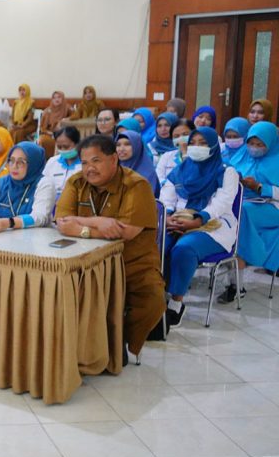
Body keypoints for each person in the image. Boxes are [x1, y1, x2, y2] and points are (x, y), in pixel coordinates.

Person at [55, 134, 165, 358]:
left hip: (131, 261)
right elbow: (62, 222)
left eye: (96, 161)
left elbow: (127, 232)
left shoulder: (136, 185)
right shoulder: (76, 182)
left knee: (153, 301)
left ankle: (120, 340)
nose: (89, 169)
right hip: (85, 260)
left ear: (114, 159)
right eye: (84, 163)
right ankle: (84, 346)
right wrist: (98, 223)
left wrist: (80, 225)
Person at [159, 126, 238, 326]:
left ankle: (176, 303)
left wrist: (198, 220)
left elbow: (223, 202)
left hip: (213, 224)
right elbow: (167, 195)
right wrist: (168, 216)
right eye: (193, 143)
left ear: (213, 146)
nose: (196, 147)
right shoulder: (181, 169)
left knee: (184, 248)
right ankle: (156, 295)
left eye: (203, 143)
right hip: (178, 219)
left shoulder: (226, 171)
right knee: (157, 245)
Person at [228, 121, 279, 292]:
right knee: (233, 213)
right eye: (251, 143)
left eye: (260, 144)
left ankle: (236, 282)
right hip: (243, 201)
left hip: (272, 206)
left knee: (240, 215)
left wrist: (259, 187)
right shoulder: (241, 155)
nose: (254, 148)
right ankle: (235, 280)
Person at [115, 129, 160, 195]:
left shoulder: (148, 175)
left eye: (127, 144)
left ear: (137, 146)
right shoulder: (112, 172)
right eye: (118, 145)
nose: (121, 149)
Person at [41, 126, 82, 196]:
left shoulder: (84, 164)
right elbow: (44, 184)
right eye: (59, 147)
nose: (62, 150)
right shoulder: (52, 162)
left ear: (77, 144)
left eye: (66, 147)